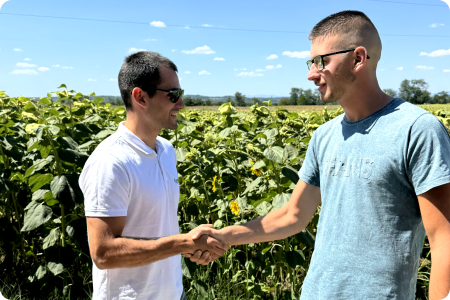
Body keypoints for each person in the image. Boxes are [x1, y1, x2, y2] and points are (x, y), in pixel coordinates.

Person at [189, 11, 450, 299]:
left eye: (321, 62)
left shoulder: (418, 130)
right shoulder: (324, 136)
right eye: (311, 63)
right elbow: (293, 215)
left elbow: (444, 240)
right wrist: (224, 236)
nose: (312, 74)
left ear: (358, 58)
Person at [79, 51, 229, 300]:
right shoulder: (111, 161)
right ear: (140, 97)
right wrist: (182, 244)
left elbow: (159, 226)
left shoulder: (166, 150)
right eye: (173, 95)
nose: (180, 104)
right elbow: (103, 253)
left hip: (171, 292)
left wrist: (191, 244)